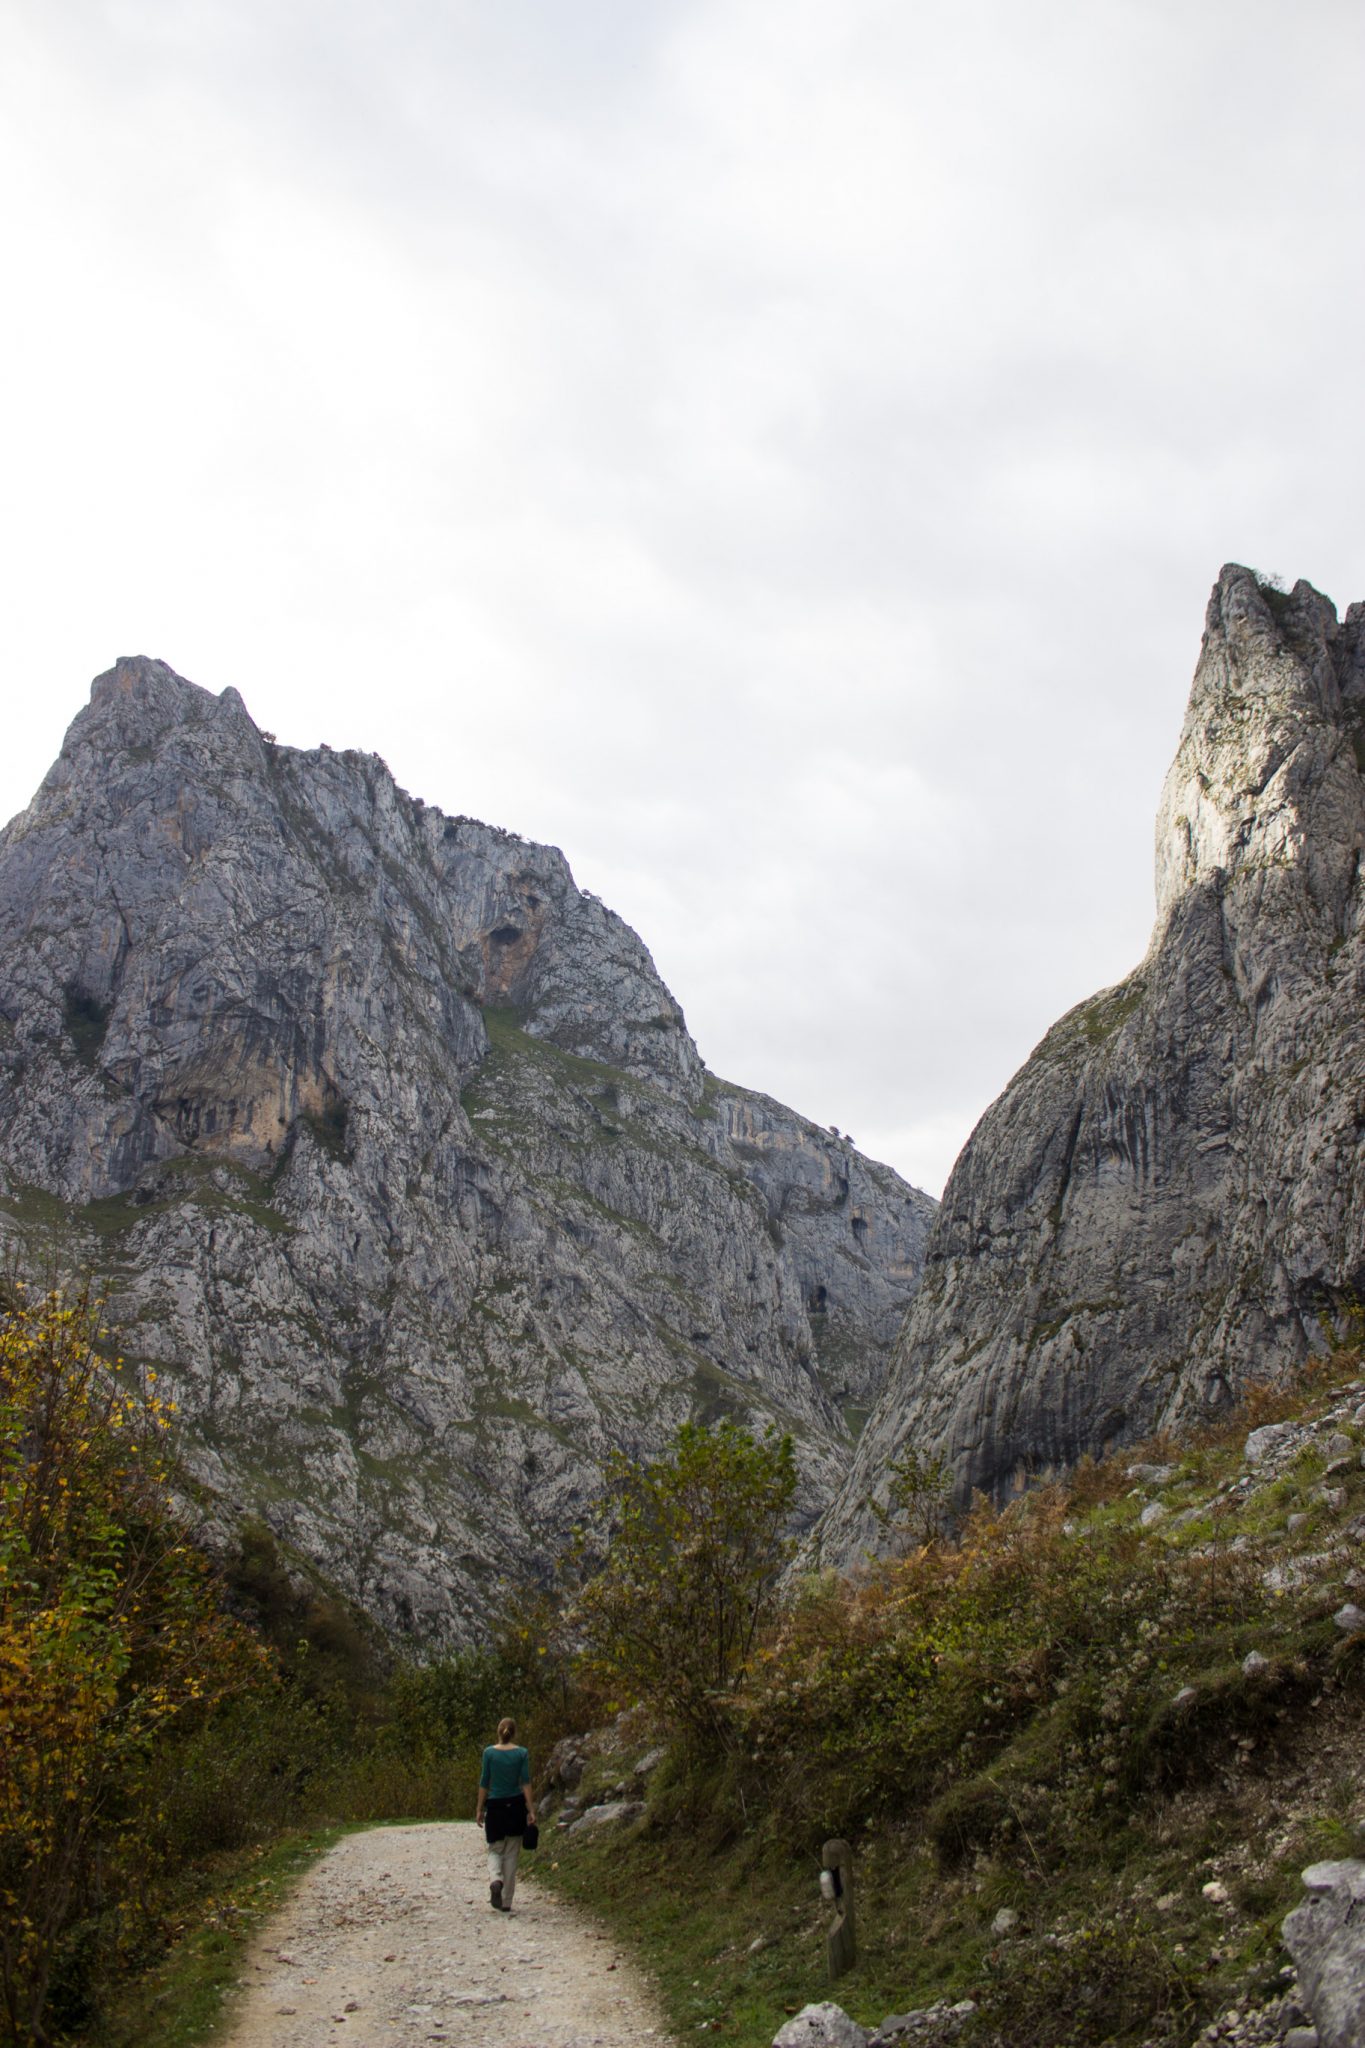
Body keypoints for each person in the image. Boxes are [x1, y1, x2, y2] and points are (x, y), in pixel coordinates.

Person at [475, 1716, 536, 1912]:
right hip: (516, 1806)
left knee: (495, 1850)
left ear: (498, 1732)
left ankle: (496, 1879)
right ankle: (507, 1901)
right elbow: (525, 1782)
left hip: (495, 1807)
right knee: (511, 1854)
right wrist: (531, 1809)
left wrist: (479, 1808)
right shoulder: (522, 1753)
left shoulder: (489, 1753)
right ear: (514, 1733)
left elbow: (485, 1781)